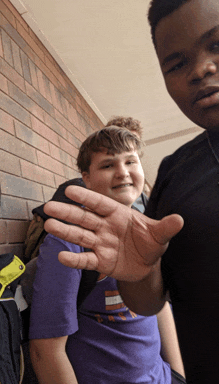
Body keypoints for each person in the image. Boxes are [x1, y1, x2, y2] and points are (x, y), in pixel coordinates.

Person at [43, 0, 219, 382]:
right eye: (176, 63)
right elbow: (156, 301)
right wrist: (142, 274)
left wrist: (175, 372)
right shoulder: (177, 178)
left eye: (217, 43)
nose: (201, 69)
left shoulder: (150, 209)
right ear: (84, 178)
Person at [29, 126, 185, 384]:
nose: (123, 172)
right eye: (108, 165)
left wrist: (178, 375)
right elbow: (45, 351)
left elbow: (160, 308)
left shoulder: (149, 227)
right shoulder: (70, 241)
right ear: (86, 178)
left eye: (130, 161)